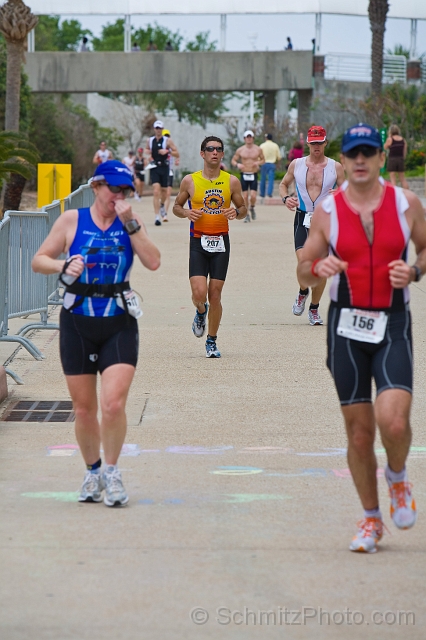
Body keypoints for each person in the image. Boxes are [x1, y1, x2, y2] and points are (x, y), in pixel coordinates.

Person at [297, 123, 426, 553]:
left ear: (378, 157)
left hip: (391, 321)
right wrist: (317, 269)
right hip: (345, 325)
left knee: (393, 420)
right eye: (352, 153)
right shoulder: (328, 212)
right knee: (358, 433)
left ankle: (397, 475)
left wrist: (415, 271)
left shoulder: (405, 203)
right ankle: (371, 519)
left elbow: (425, 249)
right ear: (344, 158)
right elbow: (303, 266)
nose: (359, 161)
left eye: (368, 152)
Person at [32, 161, 161, 507]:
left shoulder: (129, 223)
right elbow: (39, 259)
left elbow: (153, 261)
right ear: (96, 186)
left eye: (124, 190)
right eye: (113, 189)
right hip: (77, 321)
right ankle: (93, 470)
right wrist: (62, 265)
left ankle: (113, 472)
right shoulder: (72, 220)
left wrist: (132, 223)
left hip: (119, 320)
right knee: (85, 409)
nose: (118, 196)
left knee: (113, 404)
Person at [173, 136, 247, 358]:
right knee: (199, 293)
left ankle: (212, 341)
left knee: (215, 295)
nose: (214, 152)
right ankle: (200, 311)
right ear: (202, 153)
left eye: (218, 149)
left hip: (221, 242)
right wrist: (186, 212)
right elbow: (176, 206)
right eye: (210, 149)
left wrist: (236, 213)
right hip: (198, 241)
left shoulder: (231, 181)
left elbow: (242, 208)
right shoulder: (190, 181)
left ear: (223, 154)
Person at [279, 125, 345, 325]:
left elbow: (348, 191)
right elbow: (283, 185)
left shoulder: (336, 167)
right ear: (308, 143)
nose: (316, 146)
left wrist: (341, 194)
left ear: (325, 143)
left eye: (320, 143)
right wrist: (285, 199)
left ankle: (314, 309)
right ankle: (302, 291)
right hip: (302, 218)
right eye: (313, 143)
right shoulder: (296, 164)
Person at [145, 121, 179, 226]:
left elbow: (177, 153)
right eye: (156, 128)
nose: (158, 130)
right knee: (156, 191)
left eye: (160, 128)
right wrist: (148, 154)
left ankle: (162, 205)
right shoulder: (150, 140)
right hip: (155, 167)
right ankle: (156, 217)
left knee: (165, 192)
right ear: (154, 129)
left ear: (162, 129)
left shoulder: (167, 141)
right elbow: (147, 149)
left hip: (165, 168)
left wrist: (167, 152)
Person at [231, 130, 265, 222]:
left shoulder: (258, 149)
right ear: (244, 139)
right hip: (244, 174)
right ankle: (246, 214)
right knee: (245, 196)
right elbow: (233, 160)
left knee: (253, 196)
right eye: (247, 137)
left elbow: (263, 160)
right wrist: (238, 165)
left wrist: (258, 162)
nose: (249, 139)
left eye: (250, 137)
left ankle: (252, 207)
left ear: (253, 138)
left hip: (253, 173)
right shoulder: (240, 150)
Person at [162, 129, 180, 221]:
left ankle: (165, 214)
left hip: (169, 171)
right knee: (163, 193)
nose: (166, 138)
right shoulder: (158, 147)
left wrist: (177, 160)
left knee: (168, 193)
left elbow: (177, 154)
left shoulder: (171, 147)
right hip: (160, 172)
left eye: (168, 136)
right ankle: (161, 205)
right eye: (165, 136)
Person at [384, 124, 409, 189]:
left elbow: (385, 147)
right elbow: (405, 151)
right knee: (402, 178)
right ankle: (407, 192)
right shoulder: (403, 140)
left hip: (392, 159)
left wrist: (389, 137)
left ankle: (394, 193)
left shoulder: (390, 139)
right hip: (400, 158)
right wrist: (403, 158)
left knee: (393, 178)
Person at [259, 133, 281, 199]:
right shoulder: (275, 145)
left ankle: (262, 193)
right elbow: (279, 157)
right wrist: (278, 165)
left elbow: (259, 156)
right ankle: (269, 193)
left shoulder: (262, 145)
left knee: (263, 179)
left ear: (266, 138)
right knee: (271, 179)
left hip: (264, 163)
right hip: (272, 164)